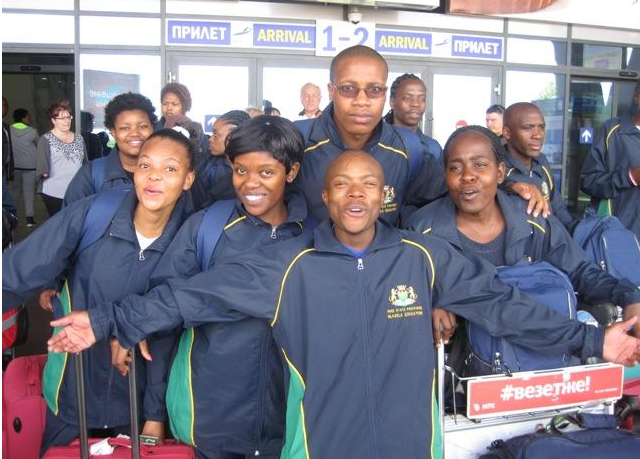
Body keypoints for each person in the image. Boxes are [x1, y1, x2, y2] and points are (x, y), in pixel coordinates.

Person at [48, 150, 640, 459]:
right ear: (325, 196)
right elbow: (193, 296)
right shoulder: (288, 265)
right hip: (319, 447)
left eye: (367, 185)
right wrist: (104, 320)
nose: (355, 195)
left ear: (384, 196)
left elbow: (502, 304)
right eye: (341, 185)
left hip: (412, 447)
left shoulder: (423, 256)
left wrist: (595, 341)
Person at [3, 129, 196, 455]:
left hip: (138, 404)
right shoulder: (95, 214)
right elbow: (18, 271)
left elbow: (173, 331)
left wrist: (155, 413)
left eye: (170, 168)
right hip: (71, 393)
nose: (154, 177)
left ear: (188, 179)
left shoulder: (191, 240)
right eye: (146, 165)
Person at [137, 115, 309, 458]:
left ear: (291, 172)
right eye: (240, 170)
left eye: (266, 172)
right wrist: (154, 413)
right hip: (212, 420)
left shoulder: (313, 237)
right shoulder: (207, 228)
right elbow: (164, 322)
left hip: (288, 423)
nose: (250, 183)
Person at [405, 125, 640, 345]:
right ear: (445, 175)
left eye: (480, 165)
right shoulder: (422, 230)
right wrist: (431, 302)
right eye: (455, 167)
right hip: (460, 361)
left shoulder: (532, 218)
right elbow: (405, 294)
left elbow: (578, 270)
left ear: (500, 173)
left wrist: (629, 296)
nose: (467, 176)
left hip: (537, 354)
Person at [295, 45, 547, 226]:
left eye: (374, 90)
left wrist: (510, 187)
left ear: (385, 94)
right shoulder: (298, 142)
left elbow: (451, 191)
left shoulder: (408, 148)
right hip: (306, 272)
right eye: (349, 89)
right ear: (331, 91)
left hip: (383, 274)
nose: (362, 100)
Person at [64, 93, 157, 205]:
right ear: (113, 132)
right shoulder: (90, 175)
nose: (135, 133)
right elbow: (72, 215)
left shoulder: (167, 172)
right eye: (125, 128)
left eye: (142, 126)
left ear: (152, 128)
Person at [501, 102, 577, 232]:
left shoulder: (541, 162)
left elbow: (558, 209)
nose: (538, 135)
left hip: (555, 239)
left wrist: (575, 232)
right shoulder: (496, 167)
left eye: (541, 127)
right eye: (528, 128)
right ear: (507, 133)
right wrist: (511, 186)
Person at [581, 78, 640, 238]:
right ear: (637, 97)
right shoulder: (613, 131)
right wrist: (630, 177)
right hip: (621, 237)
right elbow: (588, 181)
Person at [191, 110, 249, 210]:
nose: (210, 139)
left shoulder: (219, 169)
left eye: (216, 135)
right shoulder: (212, 165)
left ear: (234, 137)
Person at [36, 100, 86, 216]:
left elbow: (85, 164)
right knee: (59, 223)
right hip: (54, 192)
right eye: (62, 118)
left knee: (76, 221)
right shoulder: (45, 139)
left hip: (77, 191)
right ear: (53, 120)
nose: (67, 121)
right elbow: (42, 169)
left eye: (68, 117)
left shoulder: (79, 138)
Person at [384, 73, 443, 162]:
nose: (416, 104)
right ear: (392, 102)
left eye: (422, 99)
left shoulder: (433, 148)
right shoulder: (376, 139)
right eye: (407, 98)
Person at [157, 82, 206, 155]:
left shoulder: (195, 129)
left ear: (185, 106)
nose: (169, 108)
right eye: (165, 104)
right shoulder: (154, 128)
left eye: (174, 104)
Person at [10, 108, 39, 227]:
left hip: (15, 166)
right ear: (23, 118)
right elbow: (39, 144)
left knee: (15, 191)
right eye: (28, 116)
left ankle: (12, 214)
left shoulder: (9, 130)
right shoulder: (32, 131)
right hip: (30, 166)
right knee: (29, 191)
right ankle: (29, 218)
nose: (30, 118)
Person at [2, 96, 14, 182]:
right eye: (3, 105)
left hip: (5, 168)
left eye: (6, 105)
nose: (5, 108)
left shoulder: (5, 126)